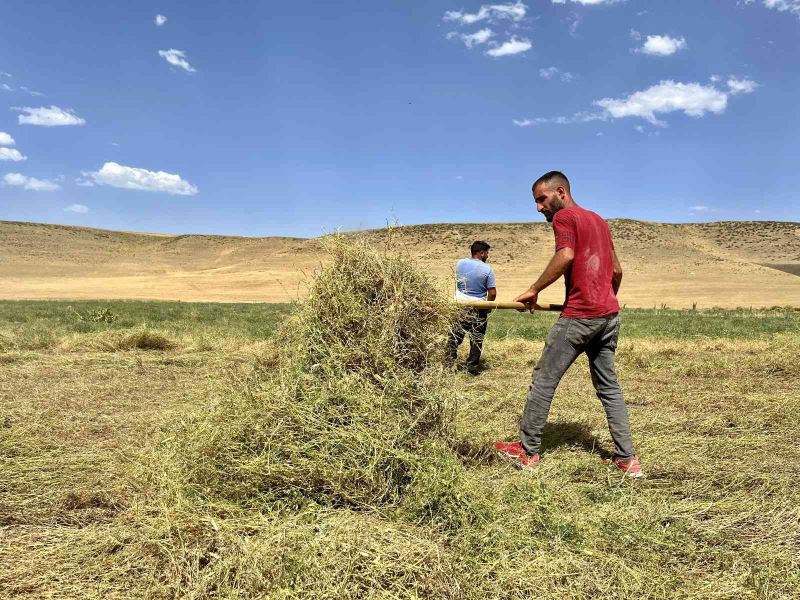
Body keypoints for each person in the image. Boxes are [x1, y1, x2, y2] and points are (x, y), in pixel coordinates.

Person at [494, 171, 643, 477]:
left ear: (560, 192)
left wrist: (534, 289)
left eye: (541, 199)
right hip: (609, 317)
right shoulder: (599, 221)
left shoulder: (565, 218)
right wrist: (602, 298)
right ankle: (627, 459)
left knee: (543, 381)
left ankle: (527, 452)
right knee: (609, 387)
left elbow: (566, 255)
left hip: (580, 317)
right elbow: (616, 270)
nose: (538, 208)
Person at [448, 240, 496, 375]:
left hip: (459, 306)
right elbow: (492, 292)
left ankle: (448, 364)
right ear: (481, 253)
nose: (487, 256)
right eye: (487, 253)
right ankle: (471, 369)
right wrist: (488, 306)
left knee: (454, 337)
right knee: (476, 339)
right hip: (478, 308)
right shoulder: (487, 269)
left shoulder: (460, 263)